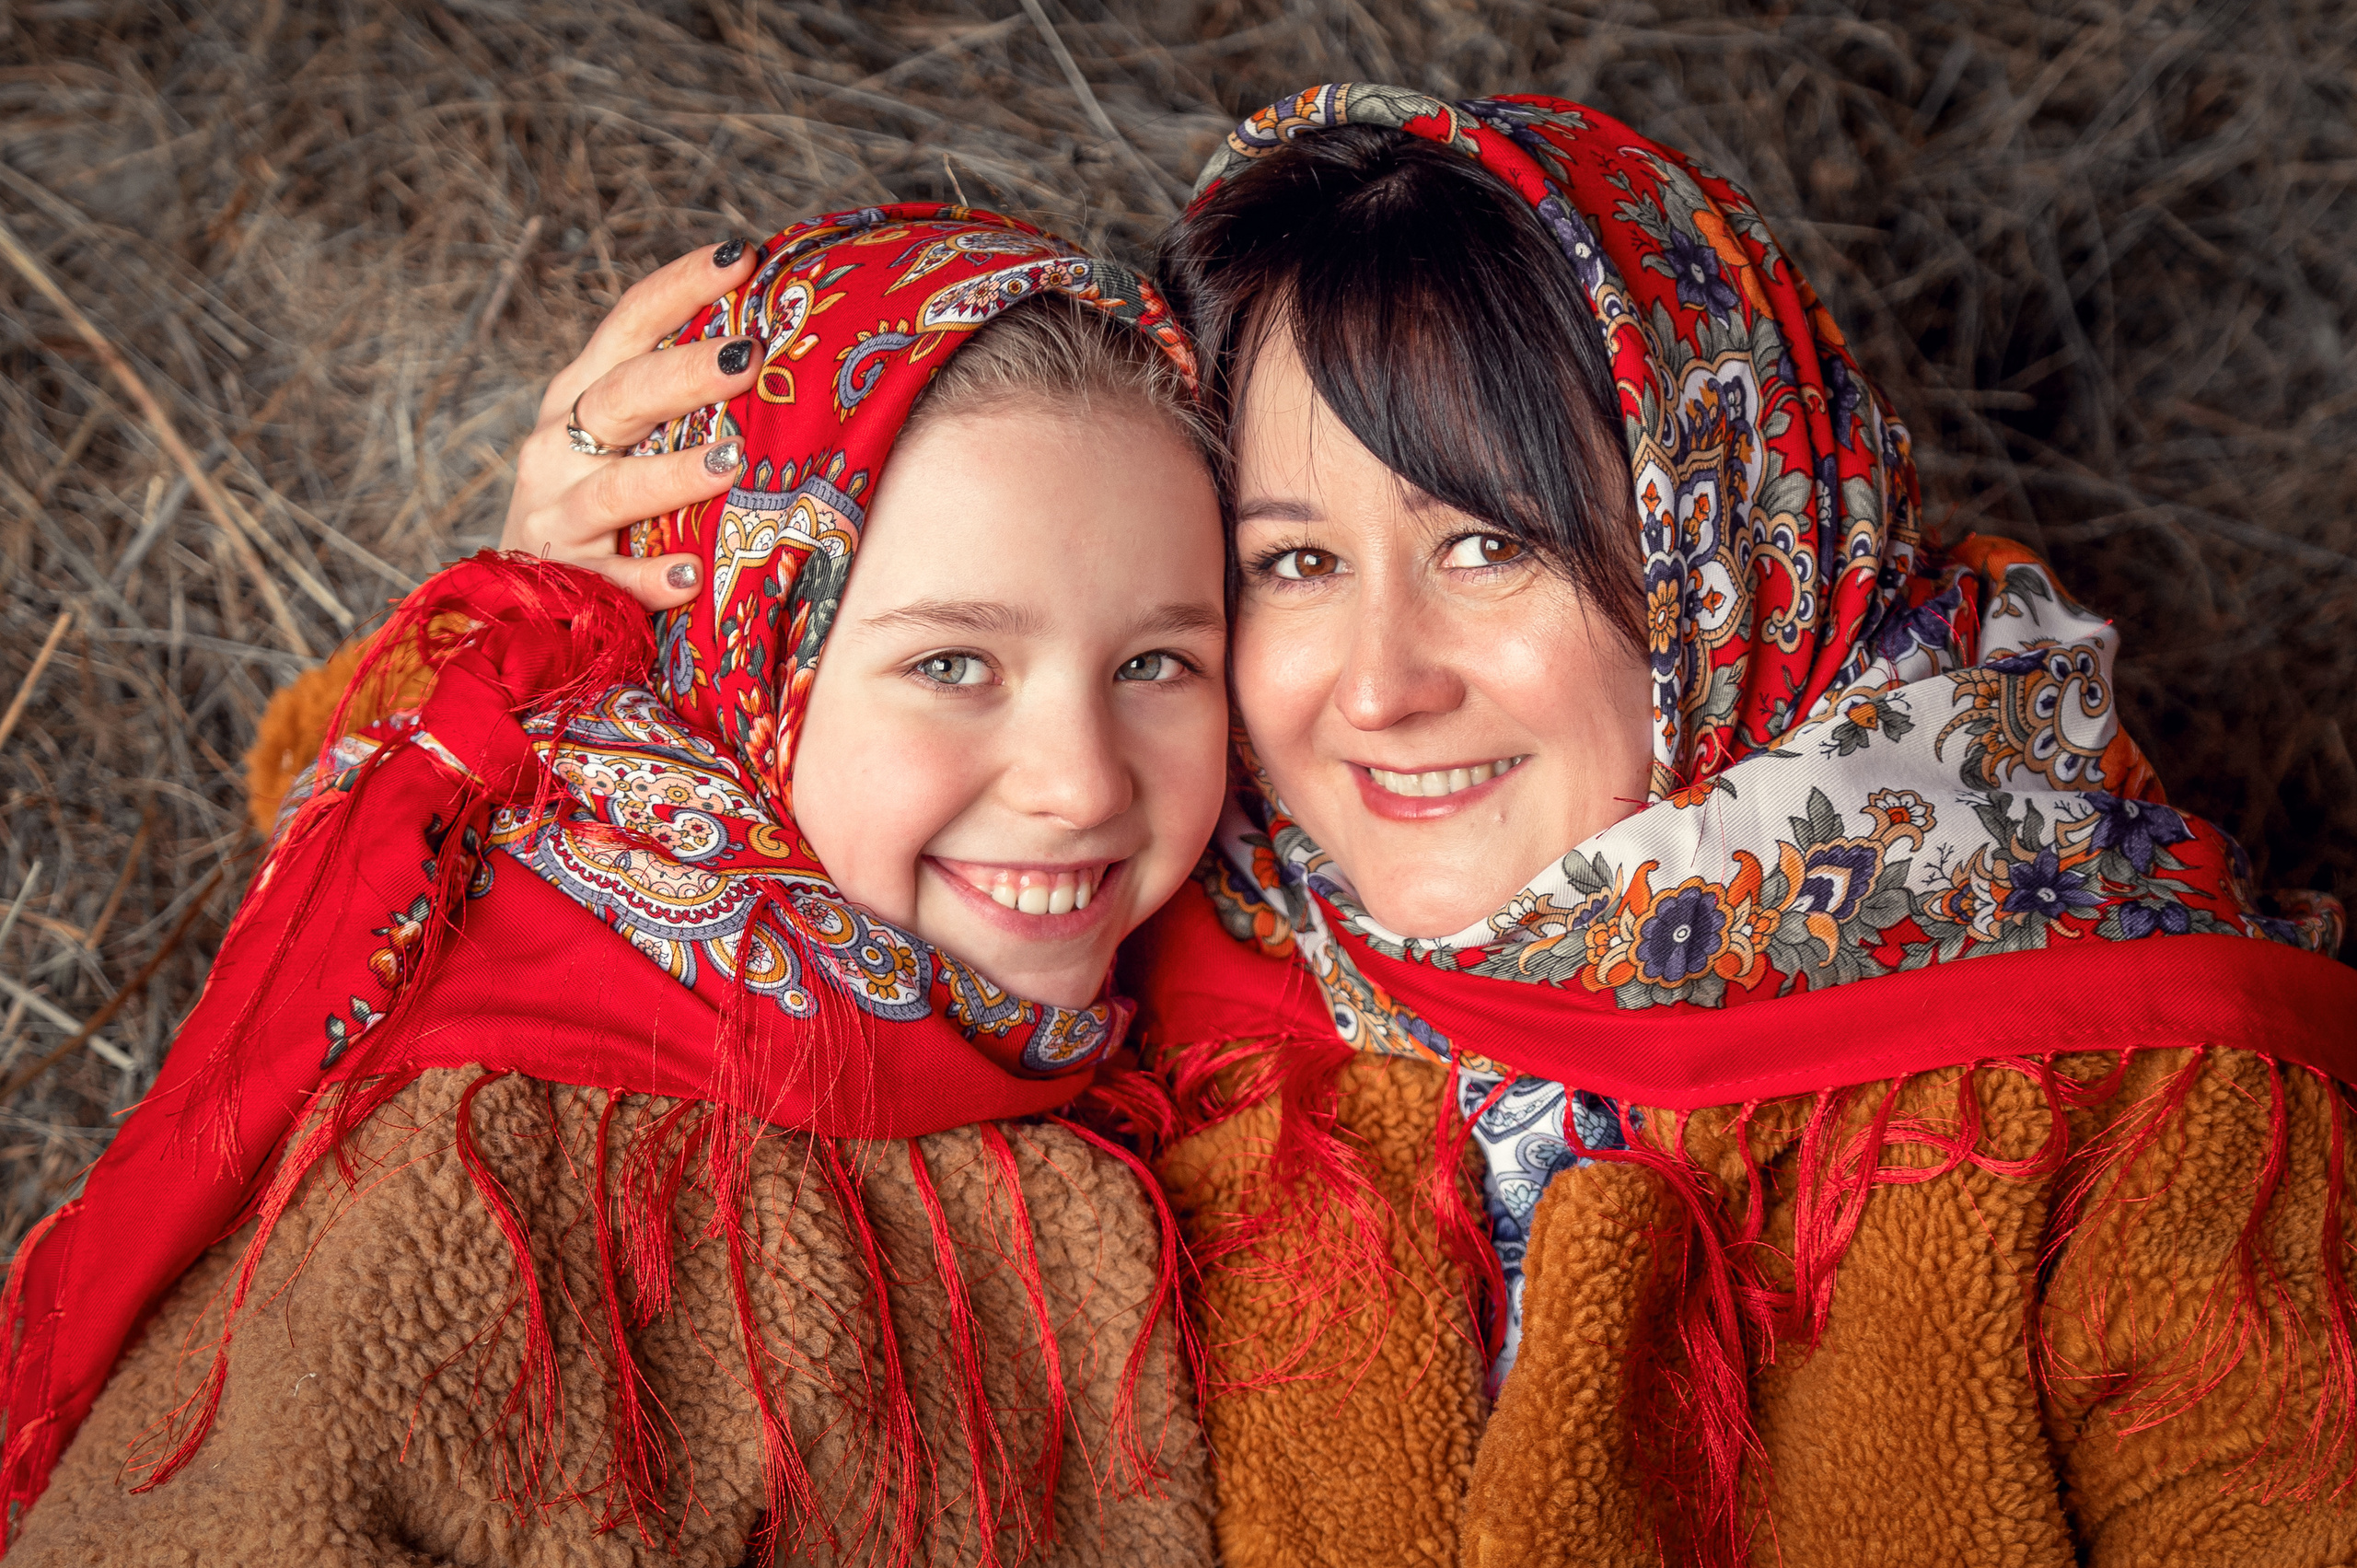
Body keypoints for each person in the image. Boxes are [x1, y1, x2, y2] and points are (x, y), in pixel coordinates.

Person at [476, 87, 2357, 1567]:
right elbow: (614, 936)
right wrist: (552, 626)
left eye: (1487, 544)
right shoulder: (1116, 955)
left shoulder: (2131, 1098)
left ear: (1726, 553)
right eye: (1288, 560)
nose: (1373, 687)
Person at [0, 207, 1226, 1566]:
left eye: (1158, 665)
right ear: (729, 661)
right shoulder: (493, 1184)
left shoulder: (1174, 1008)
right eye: (951, 665)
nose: (1084, 783)